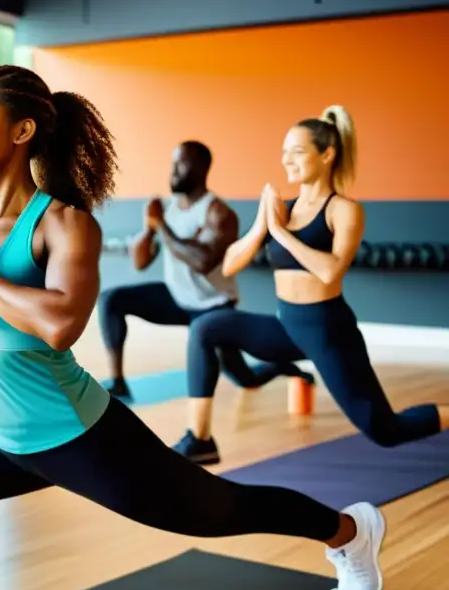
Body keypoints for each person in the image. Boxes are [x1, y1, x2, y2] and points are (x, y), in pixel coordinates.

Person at [0, 69, 386, 590]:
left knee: (220, 508)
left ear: (23, 130)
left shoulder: (64, 224)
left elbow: (59, 326)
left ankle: (351, 531)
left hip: (76, 435)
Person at [173, 106, 449, 465]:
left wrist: (282, 236)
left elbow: (331, 271)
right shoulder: (281, 210)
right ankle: (200, 440)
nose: (287, 160)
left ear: (327, 154)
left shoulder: (344, 210)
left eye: (297, 151)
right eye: (284, 151)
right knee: (206, 328)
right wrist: (261, 225)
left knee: (386, 430)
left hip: (328, 332)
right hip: (287, 326)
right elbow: (228, 263)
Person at [99, 139, 311, 411]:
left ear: (201, 169)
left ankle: (281, 366)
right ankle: (118, 382)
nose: (173, 171)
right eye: (172, 163)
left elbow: (203, 262)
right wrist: (149, 228)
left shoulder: (219, 213)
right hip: (177, 298)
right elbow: (140, 262)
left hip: (213, 306)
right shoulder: (166, 208)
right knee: (111, 299)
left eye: (181, 164)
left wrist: (161, 226)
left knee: (244, 378)